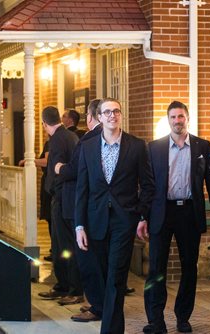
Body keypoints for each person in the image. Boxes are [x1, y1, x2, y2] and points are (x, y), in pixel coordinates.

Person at [75, 98, 155, 333]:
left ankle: (110, 330)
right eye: (107, 112)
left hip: (124, 220)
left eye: (116, 111)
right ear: (99, 117)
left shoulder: (137, 146)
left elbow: (148, 185)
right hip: (94, 220)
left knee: (116, 276)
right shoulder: (87, 147)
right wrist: (79, 225)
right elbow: (82, 188)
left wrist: (141, 215)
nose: (112, 115)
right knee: (100, 276)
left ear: (121, 115)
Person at [141, 101, 210, 334]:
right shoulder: (154, 148)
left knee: (189, 267)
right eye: (173, 117)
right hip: (161, 213)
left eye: (181, 116)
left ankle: (183, 317)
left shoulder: (202, 146)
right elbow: (147, 186)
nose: (177, 120)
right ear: (168, 120)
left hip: (189, 213)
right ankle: (155, 320)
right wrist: (142, 217)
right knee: (156, 268)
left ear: (187, 118)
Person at [54, 99, 104, 317]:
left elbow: (76, 170)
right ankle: (96, 302)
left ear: (91, 117)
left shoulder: (89, 139)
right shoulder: (94, 138)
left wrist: (59, 168)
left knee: (87, 257)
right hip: (98, 207)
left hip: (86, 205)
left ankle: (96, 304)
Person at [38, 106, 83, 305]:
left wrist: (54, 191)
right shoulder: (69, 137)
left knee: (65, 246)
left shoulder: (57, 140)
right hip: (66, 198)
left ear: (44, 123)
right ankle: (63, 285)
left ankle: (73, 288)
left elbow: (58, 170)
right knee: (59, 245)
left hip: (64, 199)